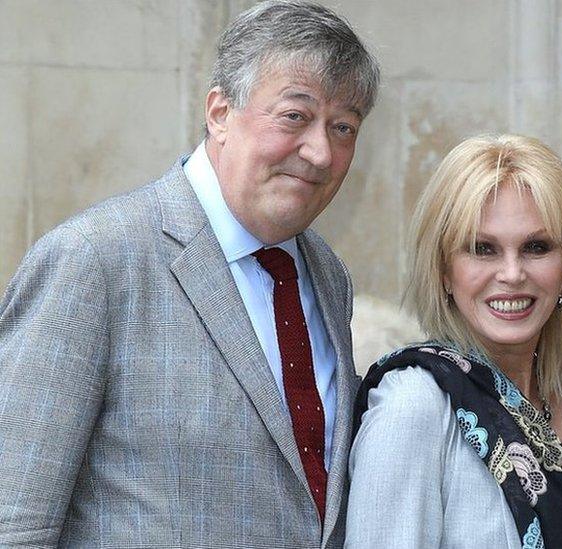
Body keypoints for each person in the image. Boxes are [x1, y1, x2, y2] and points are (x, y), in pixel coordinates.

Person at [0, 1, 379, 546]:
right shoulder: (94, 260)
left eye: (344, 127)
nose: (320, 152)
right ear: (220, 113)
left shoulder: (326, 275)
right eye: (295, 116)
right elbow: (15, 521)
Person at [345, 134, 562, 549]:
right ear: (444, 269)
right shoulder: (413, 406)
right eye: (483, 249)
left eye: (536, 247)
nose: (513, 273)